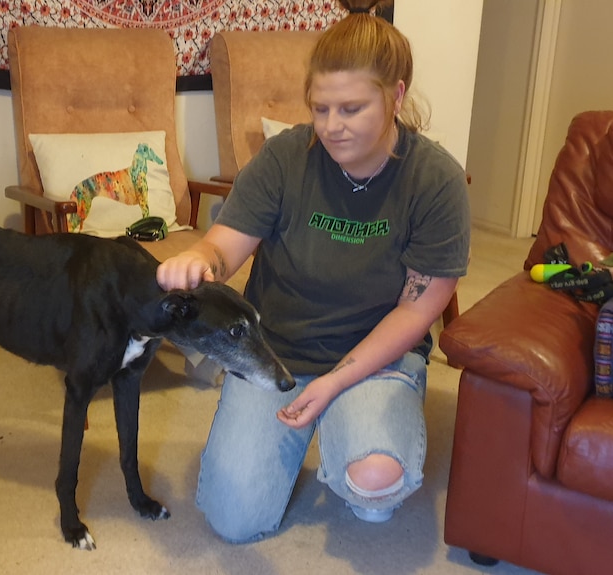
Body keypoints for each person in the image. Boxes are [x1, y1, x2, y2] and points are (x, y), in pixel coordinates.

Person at [156, 0, 471, 543]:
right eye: (320, 108)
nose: (331, 126)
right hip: (276, 353)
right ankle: (313, 428)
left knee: (373, 480)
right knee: (235, 521)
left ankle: (356, 429)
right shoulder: (284, 158)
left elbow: (420, 306)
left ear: (395, 96)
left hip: (374, 358)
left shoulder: (434, 179)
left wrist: (334, 385)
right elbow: (224, 247)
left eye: (351, 109)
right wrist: (199, 260)